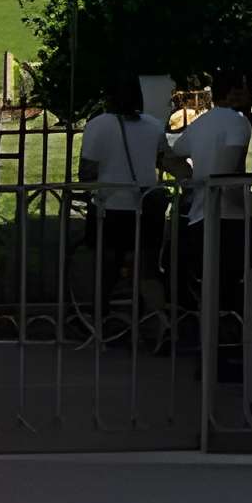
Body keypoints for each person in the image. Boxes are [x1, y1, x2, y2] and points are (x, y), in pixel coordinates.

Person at [165, 70, 252, 364]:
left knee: (210, 286)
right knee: (235, 285)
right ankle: (230, 349)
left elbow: (171, 153)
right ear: (232, 93)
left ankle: (209, 351)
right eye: (243, 90)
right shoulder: (238, 124)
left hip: (199, 216)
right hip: (229, 218)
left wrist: (190, 178)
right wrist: (248, 211)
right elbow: (229, 175)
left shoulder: (201, 123)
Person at [75, 71, 165, 344]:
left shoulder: (97, 125)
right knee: (147, 268)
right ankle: (161, 322)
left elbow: (86, 172)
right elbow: (165, 160)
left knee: (106, 266)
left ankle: (100, 323)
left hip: (110, 207)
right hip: (146, 206)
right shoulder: (153, 125)